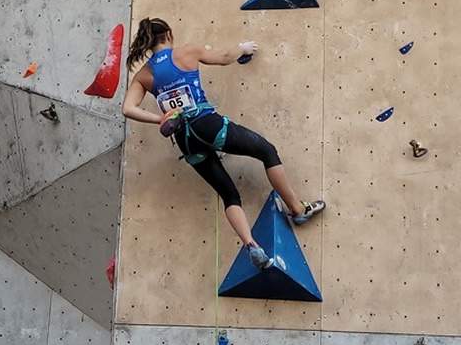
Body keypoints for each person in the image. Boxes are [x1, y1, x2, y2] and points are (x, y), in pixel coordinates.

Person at [122, 18, 325, 269]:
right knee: (266, 151)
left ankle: (251, 245)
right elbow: (224, 56)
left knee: (229, 194)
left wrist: (160, 119)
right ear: (169, 34)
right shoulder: (186, 52)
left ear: (149, 43)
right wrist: (243, 48)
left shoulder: (144, 75)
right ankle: (297, 209)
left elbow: (128, 108)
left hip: (185, 140)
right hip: (207, 124)